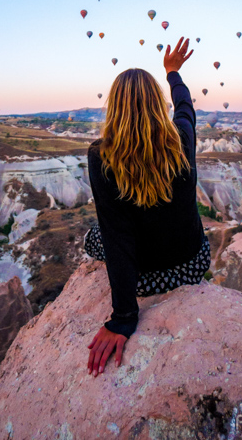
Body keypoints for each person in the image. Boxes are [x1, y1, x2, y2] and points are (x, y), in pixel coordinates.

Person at [85, 37, 211, 377]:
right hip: (192, 263)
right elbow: (185, 107)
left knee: (93, 238)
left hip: (147, 279)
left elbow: (117, 237)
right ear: (158, 104)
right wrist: (172, 73)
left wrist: (123, 318)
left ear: (114, 107)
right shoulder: (182, 138)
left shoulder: (102, 157)